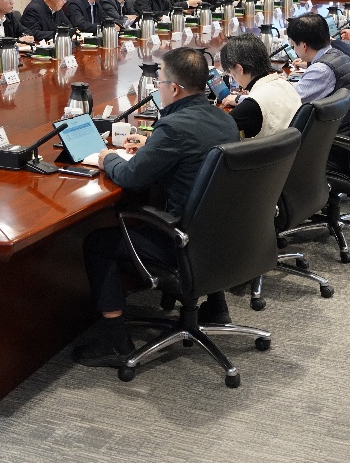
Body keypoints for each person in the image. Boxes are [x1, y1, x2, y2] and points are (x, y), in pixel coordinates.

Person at [75, 49, 239, 367]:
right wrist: (152, 147)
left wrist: (106, 157)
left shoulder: (174, 127)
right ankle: (216, 307)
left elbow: (131, 177)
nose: (157, 88)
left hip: (185, 243)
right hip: (224, 237)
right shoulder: (223, 118)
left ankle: (114, 341)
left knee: (97, 243)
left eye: (159, 82)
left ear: (174, 88)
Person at [285, 13, 350, 136]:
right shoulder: (336, 53)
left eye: (294, 44)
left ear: (304, 46)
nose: (294, 49)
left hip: (339, 135)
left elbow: (290, 100)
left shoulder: (321, 70)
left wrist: (278, 84)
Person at [218, 35, 301, 140]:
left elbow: (218, 131)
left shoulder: (252, 106)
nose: (232, 76)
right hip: (292, 148)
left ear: (239, 69)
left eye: (230, 71)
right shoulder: (285, 84)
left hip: (270, 150)